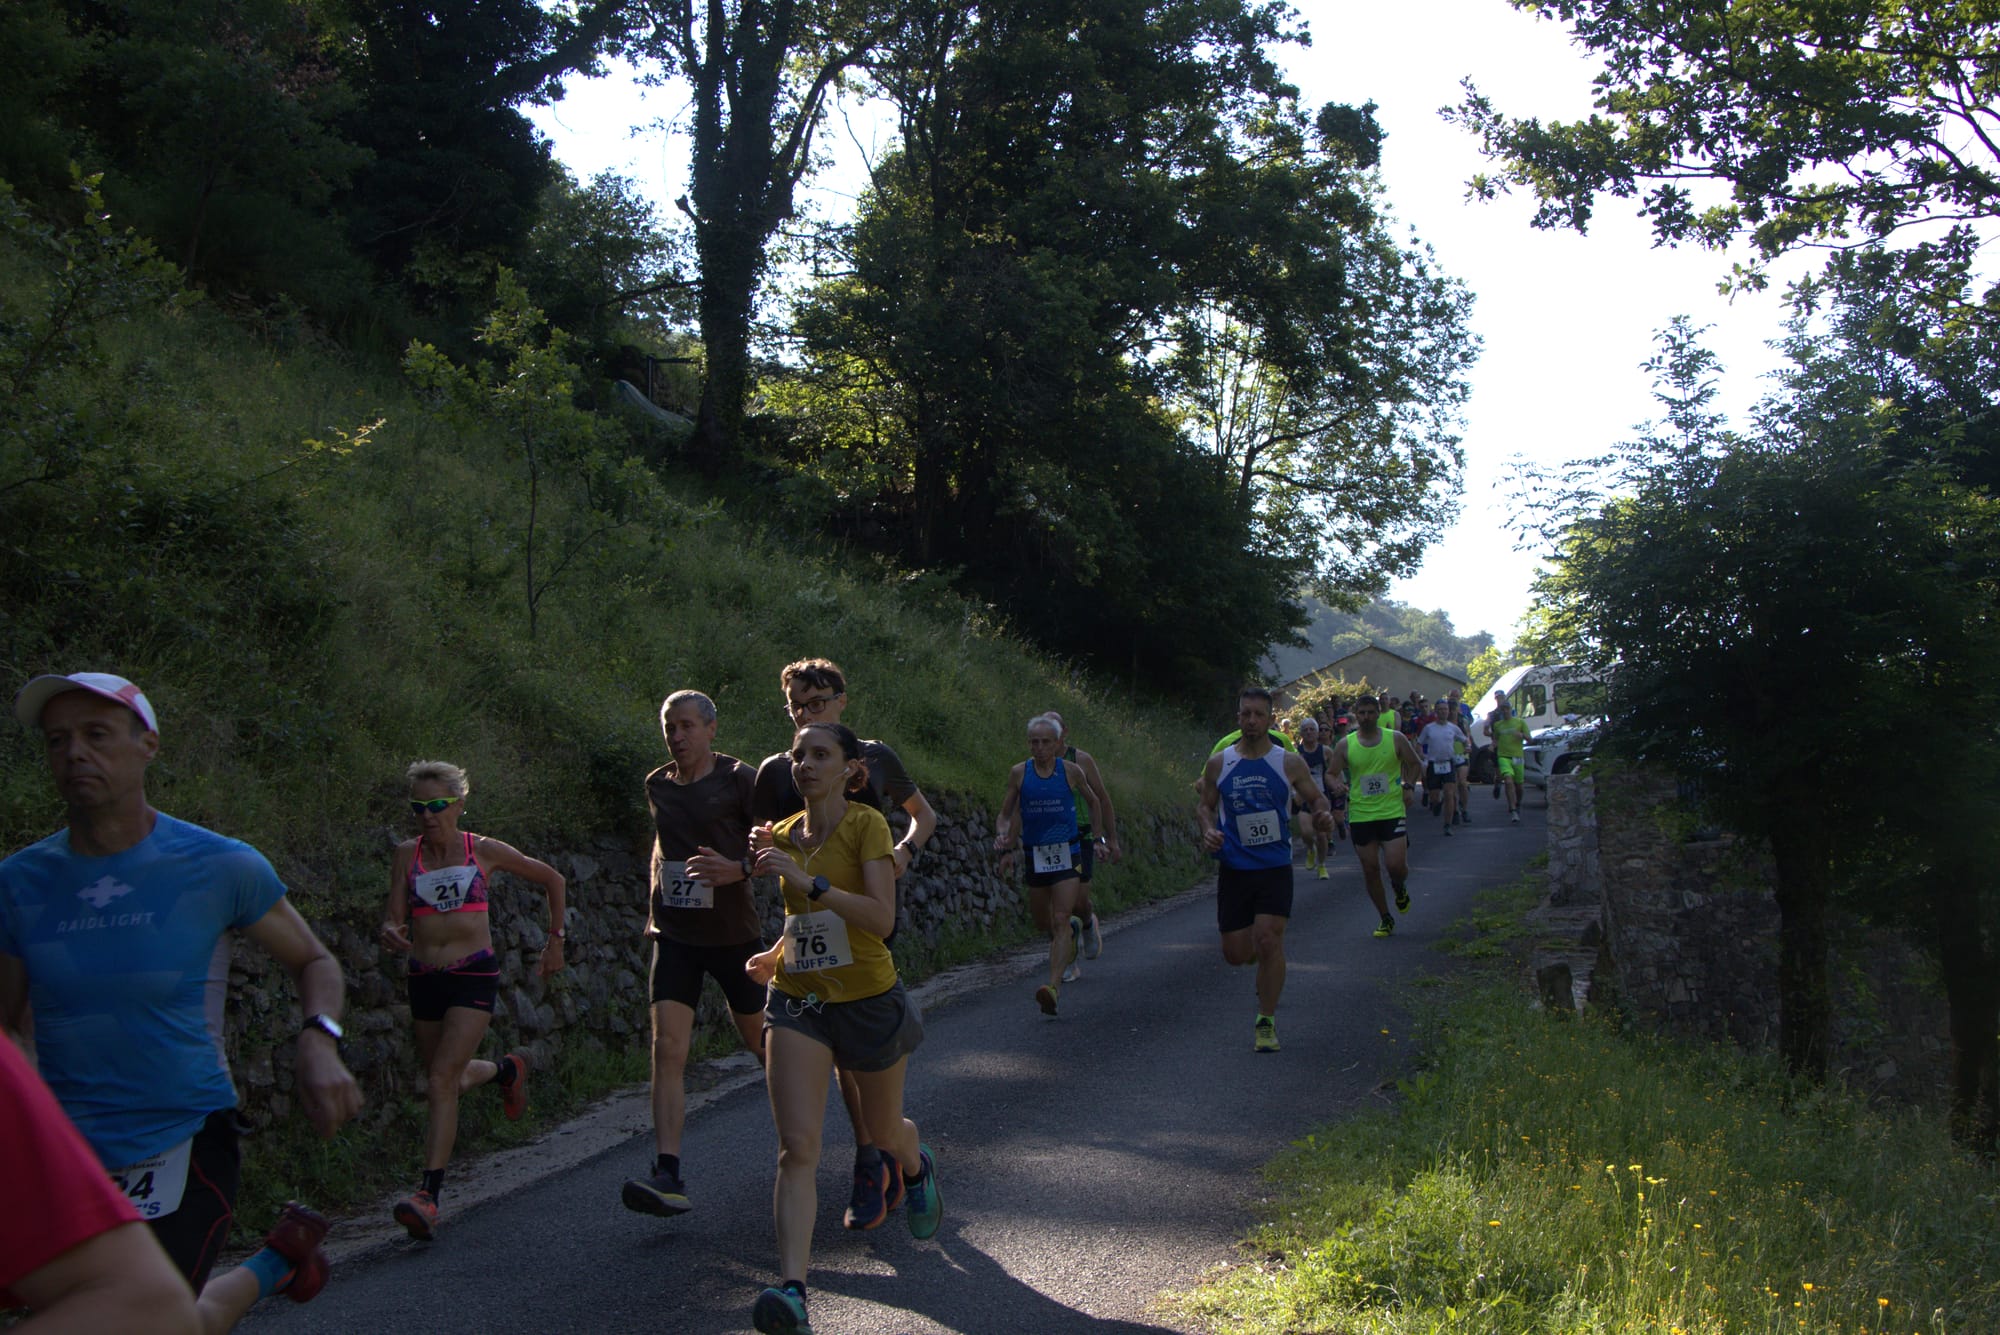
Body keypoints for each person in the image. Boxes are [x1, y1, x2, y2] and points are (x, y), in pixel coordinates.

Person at [0, 672, 361, 1330]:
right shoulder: (19, 882)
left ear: (149, 746)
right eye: (58, 740)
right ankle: (277, 1262)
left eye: (97, 734)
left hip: (183, 1140)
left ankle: (274, 1263)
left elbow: (314, 959)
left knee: (147, 1315)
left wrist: (318, 1037)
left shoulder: (219, 865)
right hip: (70, 1158)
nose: (75, 751)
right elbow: (5, 1026)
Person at [746, 722, 939, 1335]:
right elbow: (798, 918)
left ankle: (914, 1166)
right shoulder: (780, 834)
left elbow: (880, 920)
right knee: (798, 1148)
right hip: (798, 1003)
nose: (803, 763)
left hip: (868, 999)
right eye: (797, 754)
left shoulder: (866, 826)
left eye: (819, 755)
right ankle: (795, 1292)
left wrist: (811, 882)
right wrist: (775, 956)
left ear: (850, 770)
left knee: (884, 1131)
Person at [378, 759, 565, 1239]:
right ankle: (505, 1070)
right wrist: (391, 932)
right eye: (419, 807)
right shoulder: (407, 855)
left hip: (472, 974)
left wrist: (556, 939)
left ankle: (428, 1195)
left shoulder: (480, 850)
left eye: (437, 805)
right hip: (425, 976)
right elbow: (394, 917)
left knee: (440, 1078)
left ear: (459, 804)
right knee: (448, 1080)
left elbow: (552, 879)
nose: (427, 816)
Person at [621, 690, 768, 1217]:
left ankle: (815, 1135)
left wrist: (741, 870)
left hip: (732, 937)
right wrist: (654, 902)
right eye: (669, 727)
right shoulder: (657, 784)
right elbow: (662, 844)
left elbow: (776, 844)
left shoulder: (739, 779)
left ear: (710, 729)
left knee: (765, 1045)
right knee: (667, 1049)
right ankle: (667, 1172)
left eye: (686, 726)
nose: (677, 736)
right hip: (676, 936)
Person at [1, 1034, 203, 1335]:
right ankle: (276, 1261)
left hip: (168, 1119)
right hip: (84, 1115)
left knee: (177, 1303)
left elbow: (149, 1307)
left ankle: (274, 1263)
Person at [1196, 687, 1335, 1053]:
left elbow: (1316, 798)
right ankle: (1257, 956)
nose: (1252, 721)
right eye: (1246, 714)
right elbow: (1204, 806)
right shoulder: (1219, 763)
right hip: (1235, 869)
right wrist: (1208, 830)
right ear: (1238, 718)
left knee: (1270, 938)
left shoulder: (1287, 762)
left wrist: (1321, 814)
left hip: (1274, 867)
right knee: (1235, 953)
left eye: (1259, 715)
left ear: (1271, 719)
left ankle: (1266, 1020)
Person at [994, 715, 1105, 1015]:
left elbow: (1094, 802)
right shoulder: (1019, 773)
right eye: (1034, 742)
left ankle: (1053, 988)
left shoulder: (1071, 771)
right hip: (1035, 855)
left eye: (1046, 742)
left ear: (1058, 743)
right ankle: (1068, 933)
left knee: (1059, 917)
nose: (1040, 748)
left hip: (1069, 852)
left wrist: (1098, 839)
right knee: (1044, 923)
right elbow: (1008, 814)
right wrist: (1004, 840)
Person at [1325, 694, 1423, 938]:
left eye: (1371, 712)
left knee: (1395, 865)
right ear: (1355, 715)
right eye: (1362, 713)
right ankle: (1385, 917)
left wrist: (1409, 787)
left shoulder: (1395, 739)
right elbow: (1331, 773)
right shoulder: (1345, 744)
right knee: (1370, 869)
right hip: (1361, 814)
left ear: (1378, 713)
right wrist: (1336, 784)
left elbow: (1414, 763)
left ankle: (1399, 887)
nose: (1366, 717)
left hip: (1391, 810)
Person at [1042, 710, 1121, 978]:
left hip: (1082, 836)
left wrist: (1109, 839)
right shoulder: (1034, 764)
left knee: (1078, 901)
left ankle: (1088, 923)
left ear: (1064, 732)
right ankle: (1067, 962)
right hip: (1050, 840)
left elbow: (1102, 799)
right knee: (1057, 906)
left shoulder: (1081, 760)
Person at [1416, 704, 1470, 833]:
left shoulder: (1453, 728)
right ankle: (1437, 804)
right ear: (1436, 712)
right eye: (1440, 710)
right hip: (1434, 764)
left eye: (1445, 709)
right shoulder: (1429, 728)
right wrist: (1422, 755)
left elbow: (1464, 739)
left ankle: (1447, 824)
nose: (1443, 712)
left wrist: (1467, 747)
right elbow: (1419, 743)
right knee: (1435, 796)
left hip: (1448, 763)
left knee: (1449, 793)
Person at [1292, 718, 1334, 877]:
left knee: (1322, 835)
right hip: (1304, 798)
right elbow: (1291, 777)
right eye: (1306, 730)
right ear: (1301, 733)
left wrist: (1339, 786)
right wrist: (1294, 794)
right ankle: (1310, 849)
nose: (1309, 732)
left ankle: (1322, 865)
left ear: (1317, 733)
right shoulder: (1296, 754)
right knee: (1306, 832)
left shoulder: (1326, 751)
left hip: (1321, 798)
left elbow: (1334, 772)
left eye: (1312, 729)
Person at [1490, 700, 1531, 823]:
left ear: (1510, 709)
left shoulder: (1520, 722)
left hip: (1517, 757)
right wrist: (1492, 746)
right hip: (1503, 757)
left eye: (1507, 709)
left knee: (1519, 786)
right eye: (1503, 709)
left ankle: (1517, 803)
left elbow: (1530, 740)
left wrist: (1522, 736)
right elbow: (1496, 739)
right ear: (1501, 711)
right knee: (1508, 781)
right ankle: (1513, 809)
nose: (1505, 711)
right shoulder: (1498, 725)